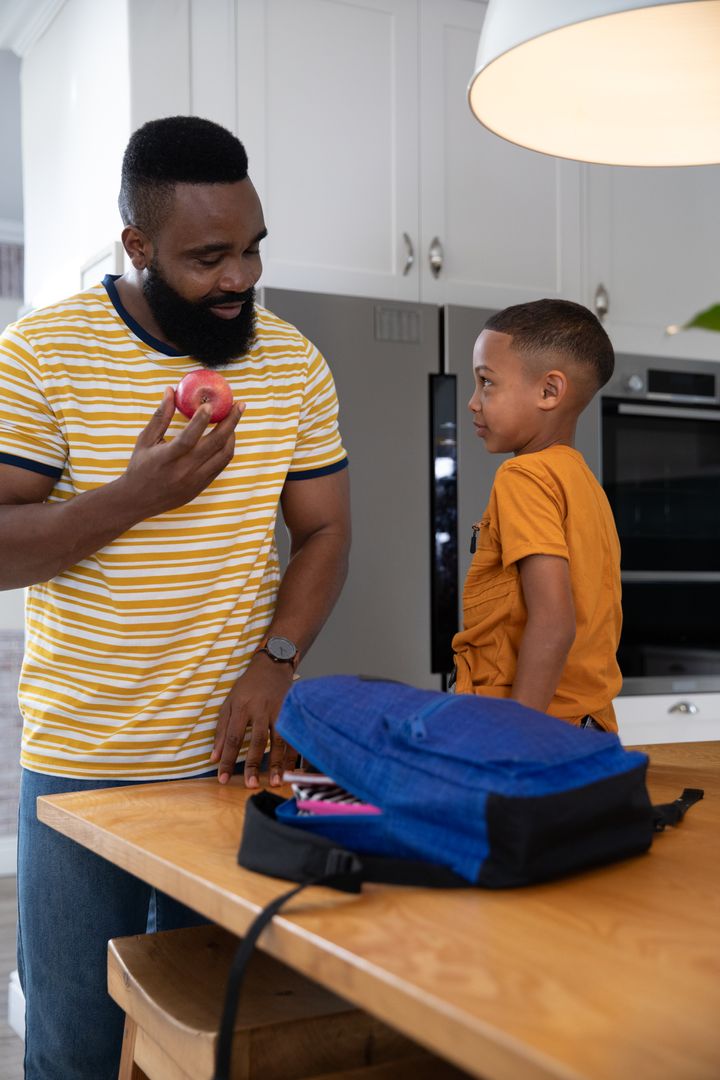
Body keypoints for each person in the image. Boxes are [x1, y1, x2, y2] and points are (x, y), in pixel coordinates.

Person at [0, 116, 350, 1080]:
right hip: (83, 765)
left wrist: (277, 663)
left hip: (230, 767)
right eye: (208, 258)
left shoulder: (294, 363)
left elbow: (324, 531)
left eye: (251, 249)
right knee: (74, 1048)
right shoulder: (40, 356)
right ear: (138, 248)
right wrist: (137, 493)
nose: (239, 278)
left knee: (208, 1041)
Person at [452, 298, 622, 732]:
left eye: (486, 383)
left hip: (534, 729)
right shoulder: (584, 484)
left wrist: (518, 742)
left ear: (549, 391)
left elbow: (553, 622)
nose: (473, 402)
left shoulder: (523, 476)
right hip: (589, 730)